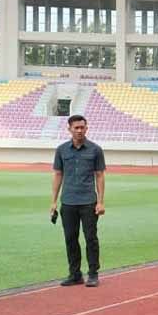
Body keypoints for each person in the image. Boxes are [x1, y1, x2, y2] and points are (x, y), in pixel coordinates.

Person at [51, 115, 106, 288]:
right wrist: (53, 202)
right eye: (76, 127)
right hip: (68, 202)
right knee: (70, 239)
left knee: (91, 238)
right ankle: (75, 274)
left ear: (86, 128)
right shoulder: (61, 150)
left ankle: (93, 274)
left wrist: (101, 201)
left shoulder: (96, 150)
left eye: (83, 127)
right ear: (69, 129)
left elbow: (100, 175)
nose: (80, 130)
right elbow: (58, 175)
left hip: (88, 201)